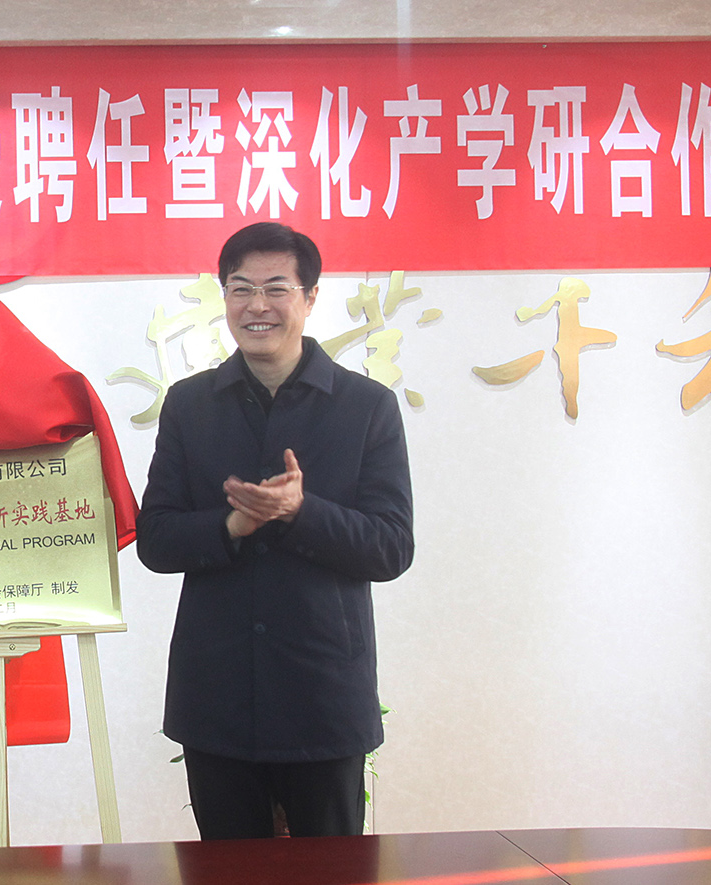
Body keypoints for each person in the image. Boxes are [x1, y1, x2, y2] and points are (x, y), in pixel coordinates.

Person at [136, 223, 414, 839]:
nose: (256, 305)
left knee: (333, 875)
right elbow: (154, 539)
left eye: (276, 288)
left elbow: (392, 547)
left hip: (323, 697)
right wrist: (232, 524)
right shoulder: (190, 405)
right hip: (218, 696)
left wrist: (300, 511)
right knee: (225, 874)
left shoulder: (365, 407)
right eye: (240, 289)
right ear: (224, 297)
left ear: (310, 297)